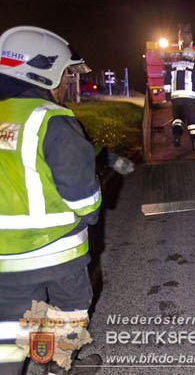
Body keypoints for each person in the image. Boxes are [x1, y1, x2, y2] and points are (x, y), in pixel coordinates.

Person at [0, 26, 103, 374]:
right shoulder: (52, 121)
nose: (65, 85)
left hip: (4, 262)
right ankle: (57, 367)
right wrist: (90, 216)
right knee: (69, 313)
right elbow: (85, 198)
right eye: (63, 75)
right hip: (60, 255)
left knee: (8, 337)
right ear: (42, 71)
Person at [163, 47, 195, 151]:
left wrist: (167, 97)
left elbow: (166, 84)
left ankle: (177, 137)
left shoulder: (172, 67)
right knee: (193, 120)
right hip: (190, 99)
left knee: (178, 119)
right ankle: (194, 142)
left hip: (175, 98)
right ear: (192, 56)